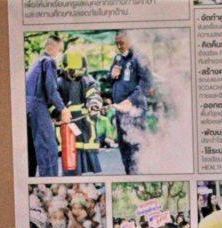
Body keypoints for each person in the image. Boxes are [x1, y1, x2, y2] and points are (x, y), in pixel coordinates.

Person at [25, 34, 70, 177]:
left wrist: (51, 114)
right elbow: (51, 91)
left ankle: (32, 183)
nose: (59, 54)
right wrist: (63, 109)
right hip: (38, 108)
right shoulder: (49, 61)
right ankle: (50, 183)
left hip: (28, 109)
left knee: (32, 149)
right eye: (59, 50)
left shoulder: (35, 63)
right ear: (50, 47)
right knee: (48, 148)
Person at [109, 30, 152, 174]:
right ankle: (129, 174)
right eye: (116, 43)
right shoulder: (118, 58)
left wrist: (131, 100)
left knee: (136, 146)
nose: (119, 46)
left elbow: (146, 83)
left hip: (135, 110)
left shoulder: (140, 57)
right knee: (124, 147)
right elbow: (111, 81)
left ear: (130, 40)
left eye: (121, 43)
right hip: (119, 110)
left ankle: (137, 175)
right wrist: (111, 76)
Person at [56, 51, 102, 176]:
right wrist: (56, 114)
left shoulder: (87, 81)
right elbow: (53, 101)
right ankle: (72, 181)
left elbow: (93, 94)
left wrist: (94, 105)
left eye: (80, 70)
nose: (77, 74)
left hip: (85, 127)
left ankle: (89, 181)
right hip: (67, 127)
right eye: (73, 71)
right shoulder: (58, 82)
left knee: (87, 157)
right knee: (70, 157)